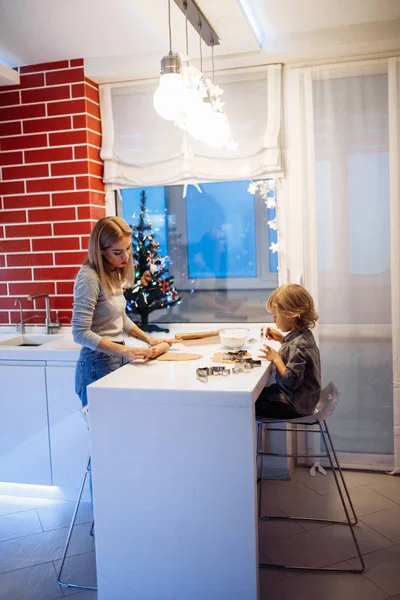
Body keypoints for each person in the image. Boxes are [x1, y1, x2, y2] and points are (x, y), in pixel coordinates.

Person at [72, 216, 180, 407]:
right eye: (117, 252)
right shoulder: (89, 277)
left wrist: (149, 339)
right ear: (101, 251)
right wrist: (125, 350)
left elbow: (120, 318)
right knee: (105, 431)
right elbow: (80, 333)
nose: (126, 257)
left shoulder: (112, 272)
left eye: (128, 248)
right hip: (97, 363)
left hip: (116, 357)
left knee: (120, 427)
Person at [256, 284, 321, 419]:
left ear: (290, 315)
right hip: (305, 401)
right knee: (258, 395)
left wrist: (276, 359)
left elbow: (291, 381)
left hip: (294, 405)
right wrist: (281, 339)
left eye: (275, 316)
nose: (274, 321)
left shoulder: (297, 346)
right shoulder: (305, 335)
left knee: (250, 403)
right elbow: (295, 351)